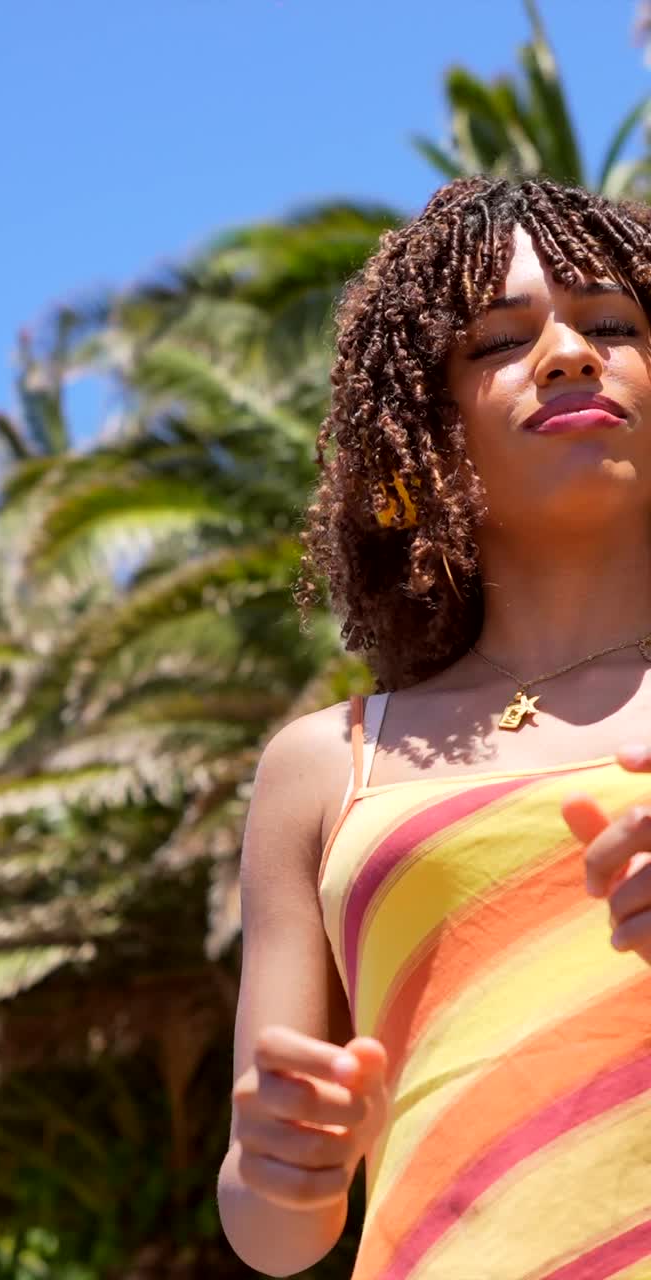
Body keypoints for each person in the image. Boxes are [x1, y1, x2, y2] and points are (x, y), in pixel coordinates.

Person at [217, 175, 651, 1279]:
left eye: (611, 323)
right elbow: (271, 1229)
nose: (567, 352)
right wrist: (280, 1165)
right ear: (425, 429)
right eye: (497, 342)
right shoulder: (323, 768)